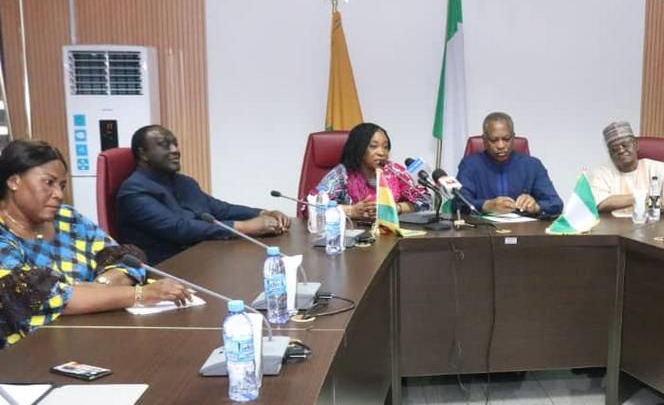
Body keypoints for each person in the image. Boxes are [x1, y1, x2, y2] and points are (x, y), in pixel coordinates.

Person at [0, 140, 190, 348]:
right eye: (49, 182)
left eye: (62, 186)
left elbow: (123, 259)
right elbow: (49, 298)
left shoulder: (67, 218)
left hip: (93, 334)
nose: (59, 194)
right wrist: (141, 294)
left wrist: (100, 287)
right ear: (14, 182)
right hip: (30, 351)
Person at [117, 125, 291, 264]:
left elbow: (221, 209)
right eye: (164, 145)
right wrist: (245, 227)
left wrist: (262, 213)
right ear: (143, 153)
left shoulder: (184, 182)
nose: (175, 150)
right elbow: (179, 229)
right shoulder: (133, 192)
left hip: (203, 258)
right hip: (167, 270)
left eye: (175, 144)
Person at [309, 122, 431, 221]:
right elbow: (312, 206)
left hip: (390, 234)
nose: (382, 153)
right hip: (353, 237)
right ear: (359, 148)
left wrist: (396, 208)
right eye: (373, 146)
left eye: (386, 147)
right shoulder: (342, 174)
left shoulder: (394, 171)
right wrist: (352, 211)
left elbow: (425, 201)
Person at [456, 112, 563, 216]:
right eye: (494, 140)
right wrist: (486, 205)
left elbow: (556, 203)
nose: (501, 145)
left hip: (524, 227)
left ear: (513, 138)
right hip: (483, 227)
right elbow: (458, 203)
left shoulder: (532, 165)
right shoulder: (470, 165)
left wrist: (536, 207)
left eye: (506, 139)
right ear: (484, 139)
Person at [588, 121, 664, 215]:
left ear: (635, 145)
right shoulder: (601, 173)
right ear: (609, 153)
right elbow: (599, 203)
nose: (621, 150)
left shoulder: (658, 168)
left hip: (655, 227)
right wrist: (646, 199)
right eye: (614, 149)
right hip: (614, 228)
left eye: (625, 145)